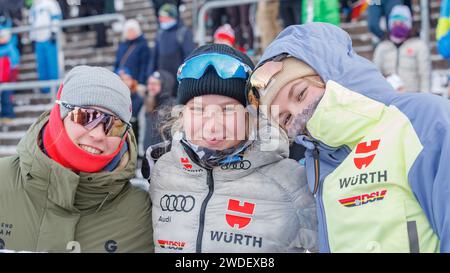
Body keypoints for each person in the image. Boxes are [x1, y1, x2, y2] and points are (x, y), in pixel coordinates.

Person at [247, 23, 450, 252]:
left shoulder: (420, 119)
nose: (298, 116)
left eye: (301, 94)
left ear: (328, 74)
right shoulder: (318, 164)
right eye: (285, 118)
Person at [145, 44, 317, 253]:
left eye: (227, 110)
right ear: (182, 115)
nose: (212, 125)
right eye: (198, 109)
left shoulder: (293, 182)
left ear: (250, 116)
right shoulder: (163, 172)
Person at [0, 66, 153, 252]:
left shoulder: (140, 214)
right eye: (86, 116)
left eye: (115, 126)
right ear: (59, 116)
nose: (98, 135)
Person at [373, 5, 431, 93]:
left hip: (412, 97)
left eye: (402, 23)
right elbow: (375, 73)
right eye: (395, 23)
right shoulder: (383, 47)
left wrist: (425, 97)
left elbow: (425, 74)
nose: (398, 25)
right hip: (388, 97)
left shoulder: (419, 46)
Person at [147, 3, 195, 82]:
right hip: (162, 80)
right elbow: (154, 57)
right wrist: (150, 74)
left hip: (178, 79)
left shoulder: (183, 32)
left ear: (171, 17)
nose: (160, 19)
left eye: (163, 16)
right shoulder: (160, 33)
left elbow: (189, 56)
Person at [29, 0, 62, 93]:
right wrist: (32, 38)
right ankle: (45, 89)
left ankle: (55, 89)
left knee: (52, 64)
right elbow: (32, 23)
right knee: (41, 65)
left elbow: (56, 17)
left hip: (48, 38)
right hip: (38, 40)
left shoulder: (50, 3)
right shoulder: (33, 6)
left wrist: (54, 31)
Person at [143, 70, 175, 150]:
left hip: (164, 156)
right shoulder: (149, 102)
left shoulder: (172, 105)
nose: (150, 87)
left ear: (165, 86)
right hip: (148, 154)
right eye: (149, 83)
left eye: (154, 84)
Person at [115, 19, 151, 85]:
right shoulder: (122, 45)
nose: (130, 33)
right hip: (122, 79)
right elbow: (117, 62)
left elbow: (144, 65)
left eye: (132, 30)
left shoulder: (142, 45)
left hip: (135, 81)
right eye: (128, 31)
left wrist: (141, 82)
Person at [117, 67, 144, 146]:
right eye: (122, 79)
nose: (125, 82)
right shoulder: (113, 98)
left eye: (127, 79)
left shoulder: (139, 99)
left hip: (134, 140)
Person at [0, 13, 20, 123]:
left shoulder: (11, 48)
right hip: (1, 77)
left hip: (7, 76)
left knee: (7, 97)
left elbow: (14, 62)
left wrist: (13, 72)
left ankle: (8, 115)